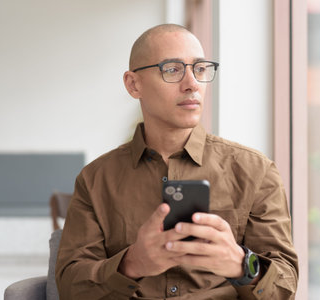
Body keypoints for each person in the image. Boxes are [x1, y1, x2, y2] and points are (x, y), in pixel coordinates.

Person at [55, 24, 298, 299]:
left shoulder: (256, 172)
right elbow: (69, 287)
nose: (192, 83)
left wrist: (238, 264)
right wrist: (131, 263)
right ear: (133, 84)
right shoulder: (95, 179)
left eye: (200, 69)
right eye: (172, 69)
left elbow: (285, 286)